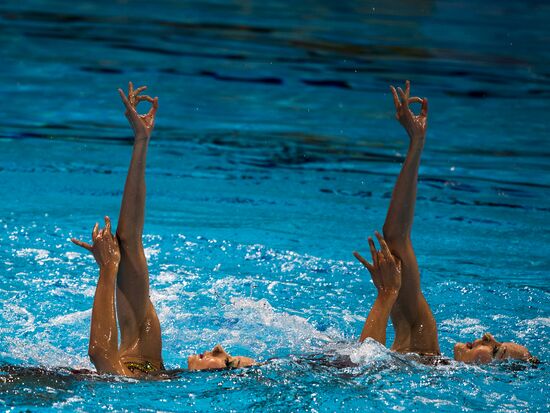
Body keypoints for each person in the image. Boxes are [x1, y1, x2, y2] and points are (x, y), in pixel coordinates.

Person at [71, 83, 254, 376]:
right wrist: (141, 142)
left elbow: (100, 353)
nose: (220, 348)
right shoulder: (147, 357)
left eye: (229, 361)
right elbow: (129, 241)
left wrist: (108, 270)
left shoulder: (143, 379)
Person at [353, 81, 537, 365]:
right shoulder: (424, 343)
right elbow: (396, 238)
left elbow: (361, 366)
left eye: (496, 350)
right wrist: (416, 144)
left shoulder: (428, 366)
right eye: (496, 340)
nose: (488, 336)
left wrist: (387, 294)